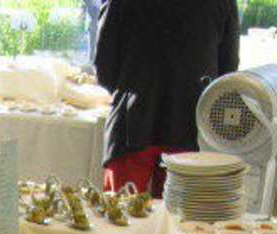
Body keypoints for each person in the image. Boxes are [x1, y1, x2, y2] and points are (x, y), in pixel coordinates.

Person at [95, 0, 240, 196]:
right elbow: (227, 71)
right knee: (179, 214)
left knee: (121, 212)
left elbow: (104, 68)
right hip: (191, 122)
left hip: (133, 121)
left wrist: (134, 86)